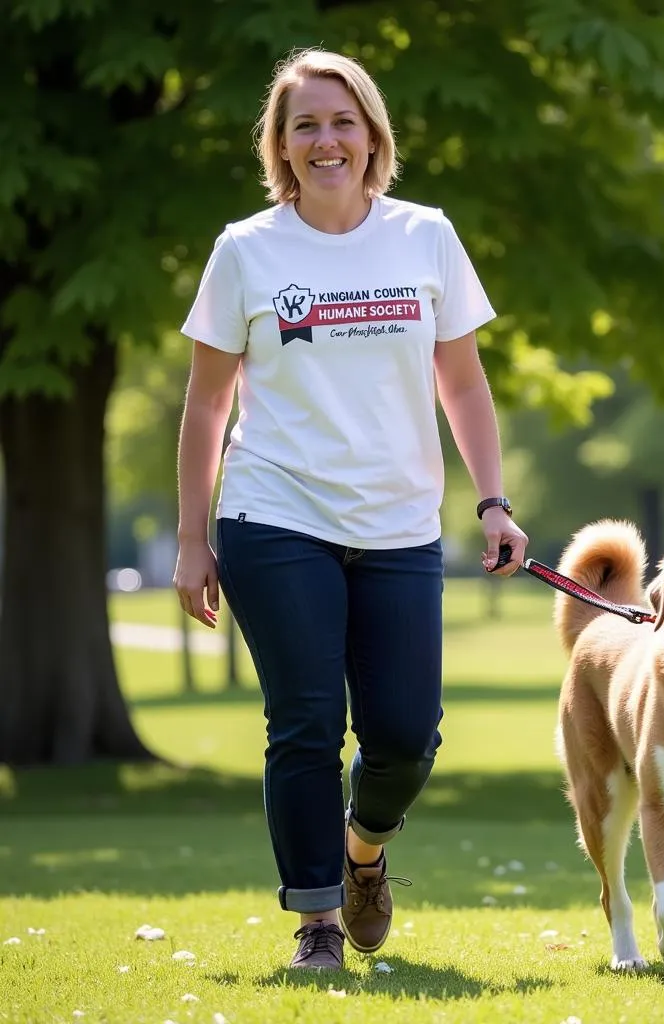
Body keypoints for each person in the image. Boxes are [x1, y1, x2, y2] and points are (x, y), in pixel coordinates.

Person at [173, 47, 528, 972]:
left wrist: (493, 500)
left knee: (408, 733)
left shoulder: (426, 236)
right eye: (304, 125)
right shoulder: (244, 251)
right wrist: (190, 539)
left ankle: (363, 849)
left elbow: (463, 380)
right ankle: (317, 924)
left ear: (373, 133)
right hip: (274, 513)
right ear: (280, 146)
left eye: (342, 121)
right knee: (303, 725)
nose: (325, 140)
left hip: (402, 524)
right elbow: (208, 403)